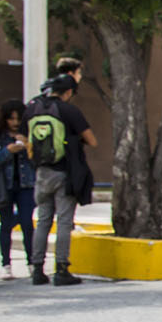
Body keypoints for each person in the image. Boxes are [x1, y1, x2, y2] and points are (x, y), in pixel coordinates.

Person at [28, 74, 96, 286]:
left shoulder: (32, 110)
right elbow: (92, 141)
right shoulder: (69, 111)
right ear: (68, 93)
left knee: (43, 221)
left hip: (41, 173)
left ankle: (37, 268)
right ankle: (61, 269)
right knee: (64, 222)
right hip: (64, 173)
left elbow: (25, 140)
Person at [0, 100, 35, 279]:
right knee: (6, 224)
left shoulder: (29, 134)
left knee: (27, 223)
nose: (15, 123)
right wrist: (7, 151)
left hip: (26, 186)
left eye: (18, 119)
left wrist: (28, 146)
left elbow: (38, 160)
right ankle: (6, 264)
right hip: (4, 186)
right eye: (11, 119)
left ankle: (33, 263)